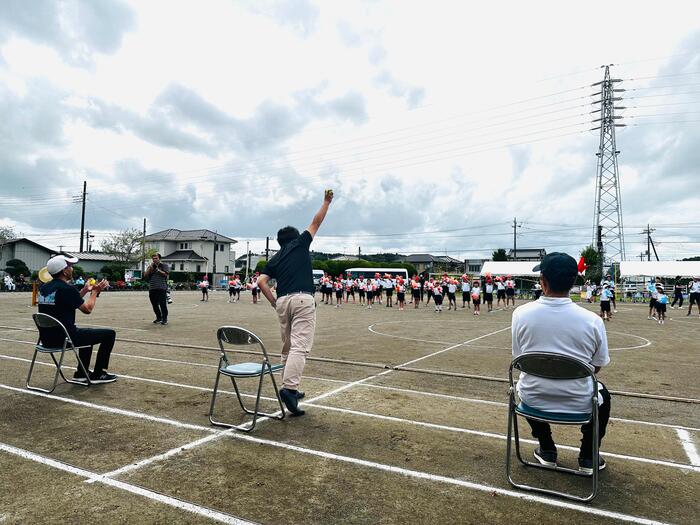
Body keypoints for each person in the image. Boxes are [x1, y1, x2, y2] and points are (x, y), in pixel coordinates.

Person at [512, 252, 610, 473]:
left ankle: (547, 448)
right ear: (574, 282)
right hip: (579, 402)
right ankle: (588, 456)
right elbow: (597, 366)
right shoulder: (592, 320)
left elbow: (520, 359)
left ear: (543, 281)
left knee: (521, 387)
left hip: (533, 396)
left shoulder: (521, 314)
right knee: (603, 395)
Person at [258, 189, 334, 417]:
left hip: (282, 300)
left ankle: (290, 385)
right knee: (300, 345)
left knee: (288, 345)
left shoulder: (275, 257)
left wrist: (274, 302)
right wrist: (326, 202)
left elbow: (261, 281)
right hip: (302, 298)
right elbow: (316, 221)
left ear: (280, 241)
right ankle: (290, 389)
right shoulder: (301, 244)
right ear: (294, 237)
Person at [37, 255, 117, 383]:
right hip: (65, 338)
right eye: (70, 266)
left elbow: (67, 303)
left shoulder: (45, 288)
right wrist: (95, 292)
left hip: (46, 338)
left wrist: (84, 290)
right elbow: (87, 309)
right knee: (109, 334)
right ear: (64, 271)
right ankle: (99, 373)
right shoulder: (67, 289)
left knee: (87, 334)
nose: (72, 269)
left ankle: (81, 373)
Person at [144, 253, 169, 325]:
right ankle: (158, 317)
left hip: (161, 287)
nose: (154, 260)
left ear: (159, 259)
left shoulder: (164, 266)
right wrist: (150, 268)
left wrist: (158, 270)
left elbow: (166, 274)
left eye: (156, 258)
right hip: (152, 288)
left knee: (162, 304)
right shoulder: (151, 266)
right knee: (154, 304)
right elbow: (145, 275)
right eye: (153, 258)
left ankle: (164, 319)